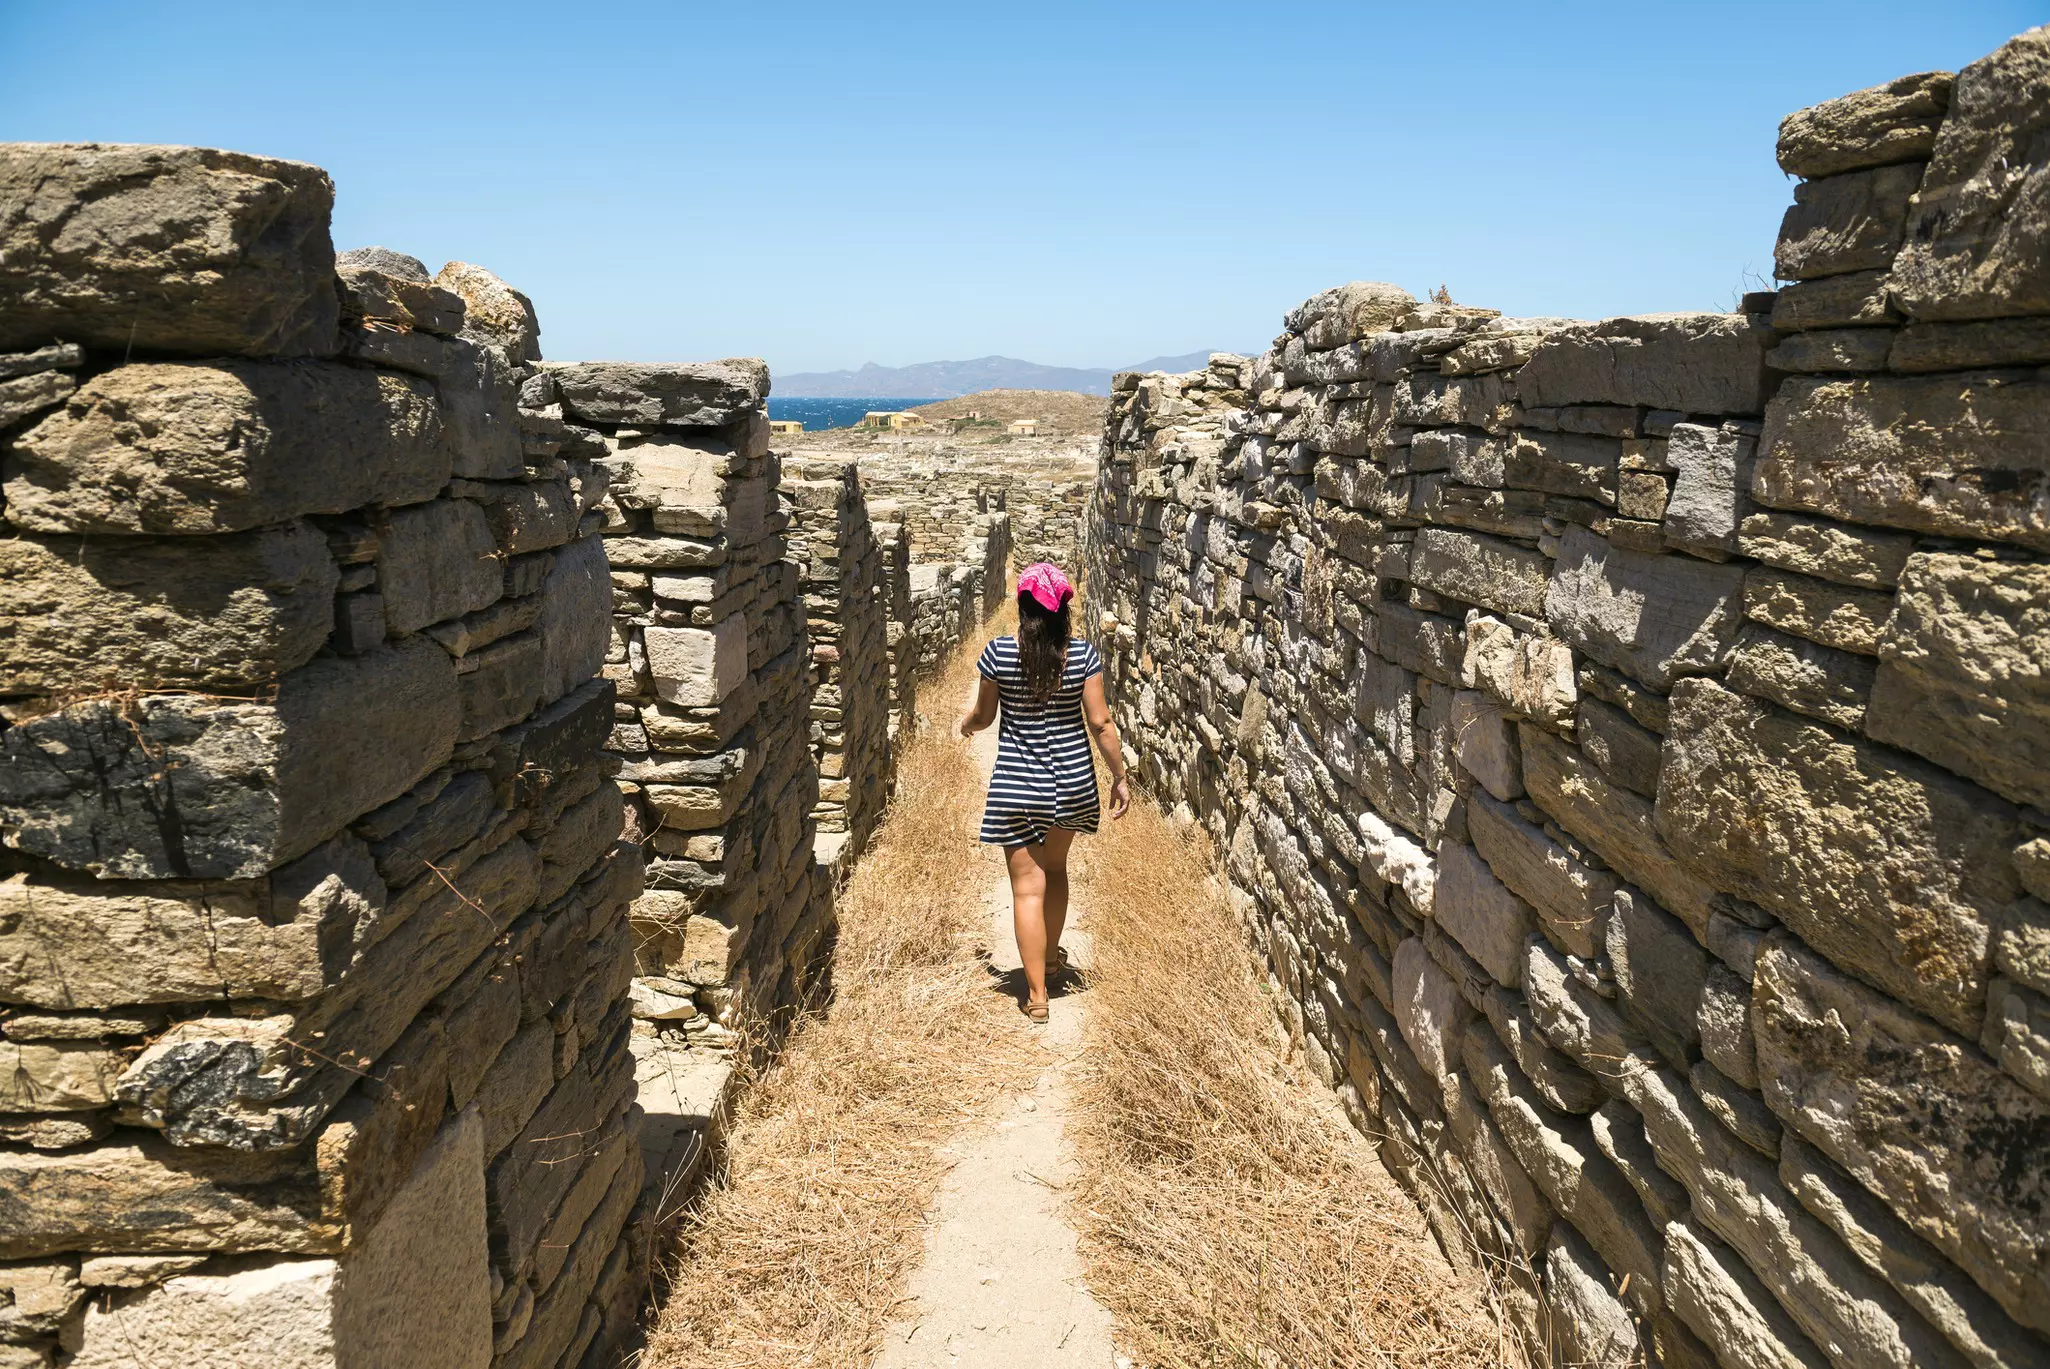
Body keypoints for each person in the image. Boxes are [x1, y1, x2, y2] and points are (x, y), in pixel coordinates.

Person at [959, 562, 1130, 1024]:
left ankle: (1036, 996)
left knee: (1026, 889)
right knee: (1055, 869)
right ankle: (1052, 962)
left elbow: (984, 715)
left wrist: (966, 726)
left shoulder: (998, 653)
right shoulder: (1083, 656)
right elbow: (1101, 723)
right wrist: (1119, 774)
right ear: (1063, 613)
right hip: (1072, 781)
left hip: (1017, 784)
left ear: (1023, 608)